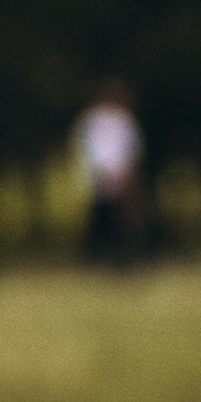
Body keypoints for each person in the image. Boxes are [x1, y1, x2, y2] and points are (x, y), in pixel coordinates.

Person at [74, 82, 145, 267]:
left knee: (117, 222)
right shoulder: (108, 121)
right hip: (106, 178)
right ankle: (105, 260)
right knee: (106, 222)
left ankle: (117, 261)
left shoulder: (100, 120)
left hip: (112, 178)